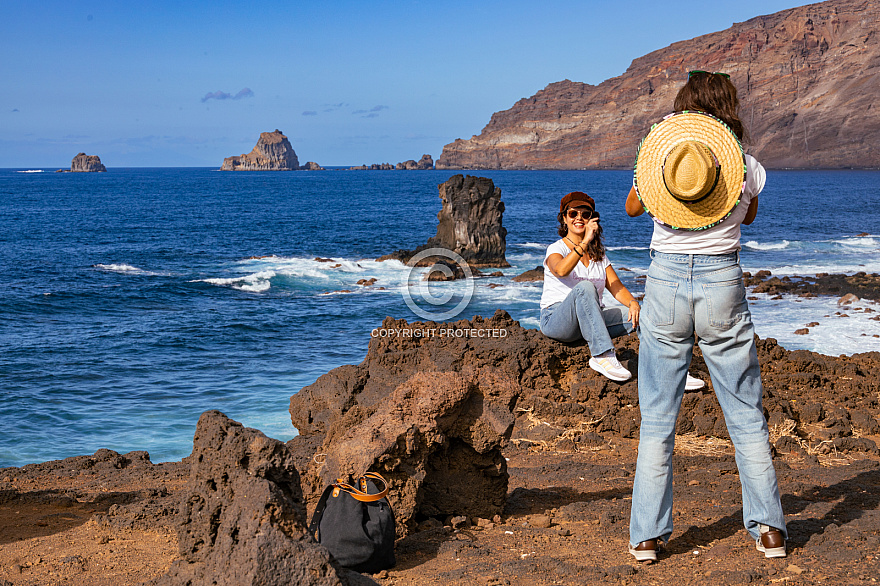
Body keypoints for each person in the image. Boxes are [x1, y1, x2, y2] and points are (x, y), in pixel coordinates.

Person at [624, 70, 786, 563]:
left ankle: (648, 537)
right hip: (722, 283)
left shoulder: (666, 160)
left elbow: (634, 207)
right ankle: (770, 531)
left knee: (657, 416)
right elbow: (749, 214)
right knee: (744, 412)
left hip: (666, 283)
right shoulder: (747, 165)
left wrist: (667, 178)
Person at [540, 192, 640, 380]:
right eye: (573, 214)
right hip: (556, 321)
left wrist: (634, 303)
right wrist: (586, 240)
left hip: (591, 321)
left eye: (585, 214)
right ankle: (602, 355)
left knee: (644, 315)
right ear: (564, 218)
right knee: (585, 287)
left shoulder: (599, 256)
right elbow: (561, 270)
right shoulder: (556, 248)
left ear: (592, 219)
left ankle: (664, 367)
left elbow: (616, 286)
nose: (579, 218)